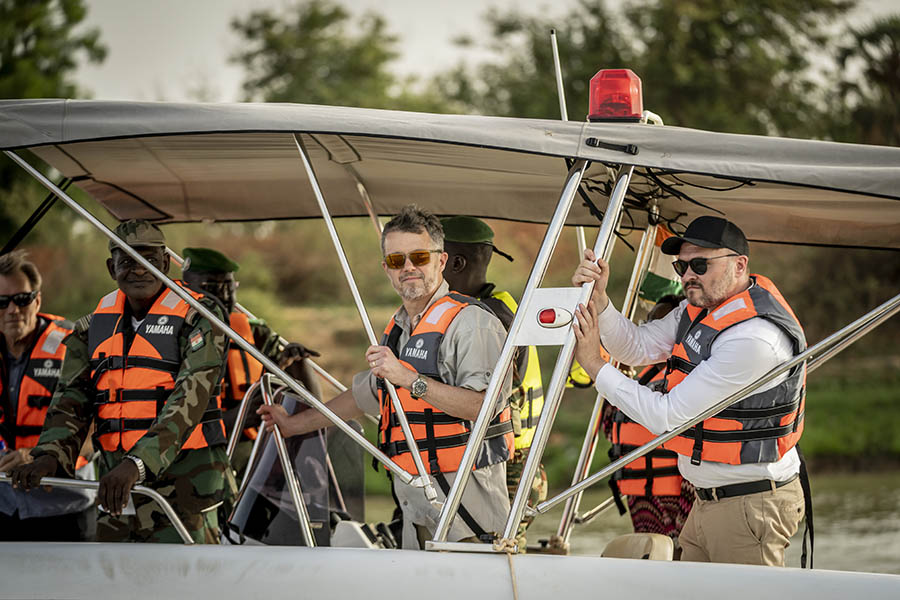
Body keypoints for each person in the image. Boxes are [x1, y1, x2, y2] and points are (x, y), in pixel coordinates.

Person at [259, 205, 514, 549]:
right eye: (397, 260)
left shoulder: (474, 323)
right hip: (417, 508)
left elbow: (483, 408)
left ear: (441, 261)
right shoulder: (398, 330)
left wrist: (409, 379)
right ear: (387, 270)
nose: (408, 268)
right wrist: (293, 425)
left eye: (419, 257)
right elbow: (363, 396)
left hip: (467, 513)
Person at [572, 215, 806, 566]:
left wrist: (594, 366)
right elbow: (636, 346)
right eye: (682, 265)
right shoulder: (700, 308)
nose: (686, 276)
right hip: (708, 500)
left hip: (749, 503)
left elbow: (667, 416)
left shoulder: (752, 338)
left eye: (700, 264)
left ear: (740, 265)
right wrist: (601, 300)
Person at [9, 220, 235, 543]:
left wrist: (138, 463)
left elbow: (190, 397)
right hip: (115, 495)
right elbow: (70, 399)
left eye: (148, 260)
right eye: (127, 260)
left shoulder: (201, 315)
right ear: (111, 267)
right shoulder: (91, 328)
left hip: (185, 496)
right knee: (117, 588)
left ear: (165, 262)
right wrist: (50, 455)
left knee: (186, 590)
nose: (139, 270)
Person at [440, 215, 547, 551]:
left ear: (454, 262)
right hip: (512, 455)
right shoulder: (497, 305)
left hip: (507, 461)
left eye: (432, 259)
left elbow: (484, 395)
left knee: (499, 559)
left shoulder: (489, 316)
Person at [180, 247, 322, 475]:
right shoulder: (168, 337)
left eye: (230, 287)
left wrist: (293, 364)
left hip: (256, 449)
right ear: (186, 290)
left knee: (307, 474)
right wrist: (233, 419)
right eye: (213, 289)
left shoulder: (257, 334)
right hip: (196, 453)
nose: (225, 297)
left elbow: (308, 402)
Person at [0, 250, 96, 541]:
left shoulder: (75, 347)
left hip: (65, 509)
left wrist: (39, 457)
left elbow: (102, 430)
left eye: (22, 299)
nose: (13, 310)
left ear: (37, 300)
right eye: (1, 302)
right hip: (3, 509)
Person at [602, 294, 694, 557]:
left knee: (681, 556)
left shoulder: (691, 377)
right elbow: (611, 430)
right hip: (641, 495)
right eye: (649, 322)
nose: (653, 330)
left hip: (679, 494)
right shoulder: (632, 380)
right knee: (648, 555)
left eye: (660, 324)